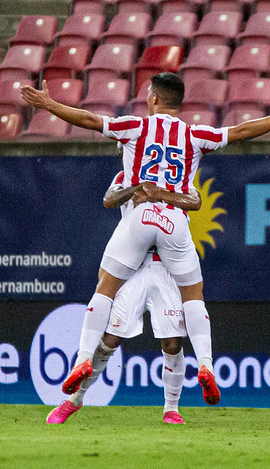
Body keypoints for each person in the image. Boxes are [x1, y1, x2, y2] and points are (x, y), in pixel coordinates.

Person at [21, 73, 270, 407]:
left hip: (141, 216)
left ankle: (83, 358)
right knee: (194, 296)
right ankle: (206, 365)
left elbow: (88, 119)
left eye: (148, 93)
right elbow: (242, 132)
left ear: (155, 99)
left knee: (105, 287)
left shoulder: (135, 128)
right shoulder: (194, 134)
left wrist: (49, 105)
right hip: (174, 221)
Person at [47, 174, 202, 426]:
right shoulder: (126, 174)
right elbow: (109, 199)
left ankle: (171, 409)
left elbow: (194, 199)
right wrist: (136, 189)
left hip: (167, 266)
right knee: (111, 337)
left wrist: (161, 194)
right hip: (134, 265)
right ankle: (74, 400)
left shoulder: (178, 171)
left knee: (172, 342)